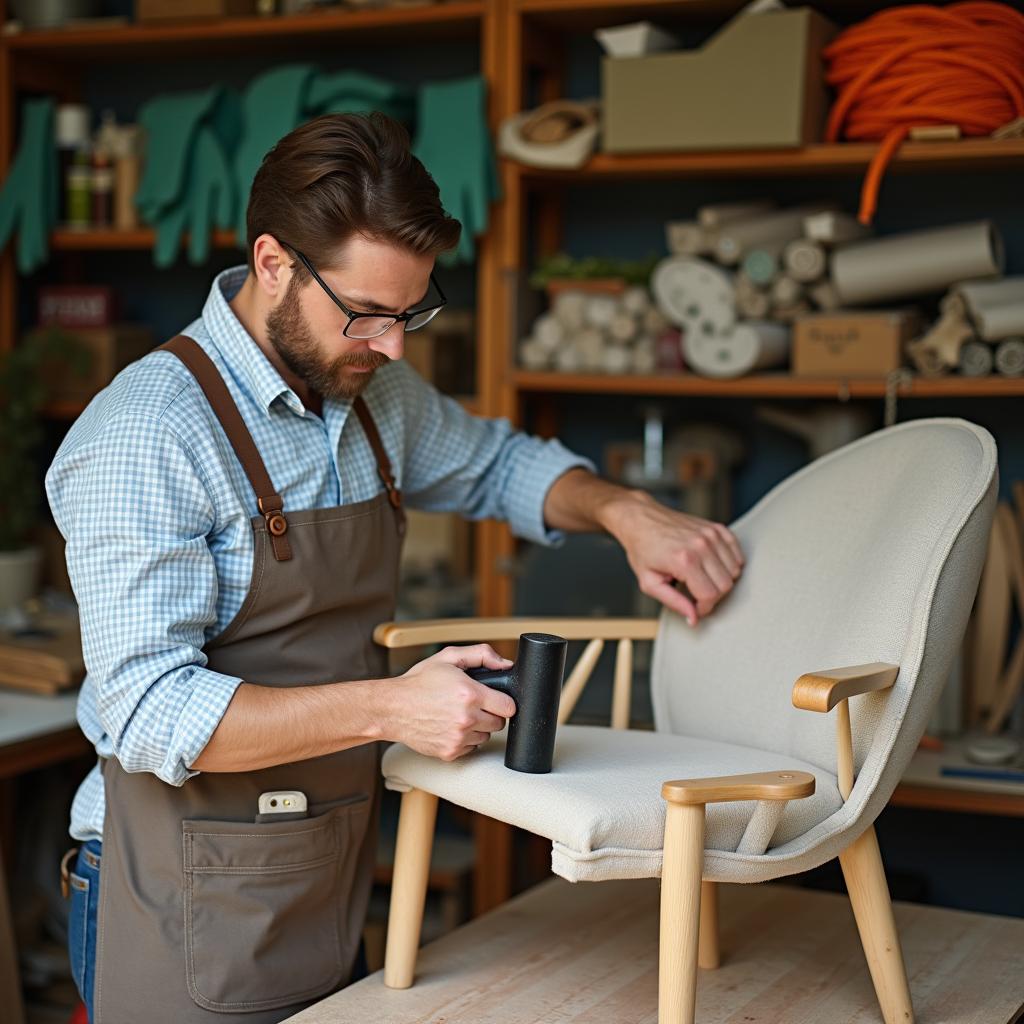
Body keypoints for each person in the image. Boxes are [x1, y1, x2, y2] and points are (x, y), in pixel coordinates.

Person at [46, 112, 744, 1024]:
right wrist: (392, 707)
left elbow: (497, 465)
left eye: (411, 312)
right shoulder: (151, 434)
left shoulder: (369, 391)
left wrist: (623, 512)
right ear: (272, 264)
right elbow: (147, 711)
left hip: (327, 863)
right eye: (368, 315)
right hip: (175, 883)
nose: (394, 345)